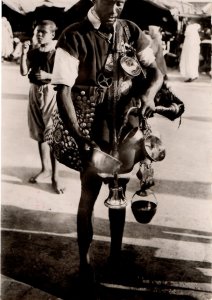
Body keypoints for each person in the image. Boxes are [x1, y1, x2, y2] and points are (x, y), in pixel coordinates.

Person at [51, 0, 163, 291]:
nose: (117, 9)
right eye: (111, 2)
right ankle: (85, 264)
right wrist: (79, 136)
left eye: (121, 2)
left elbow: (156, 72)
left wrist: (149, 95)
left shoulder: (131, 31)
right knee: (87, 195)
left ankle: (115, 256)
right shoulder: (74, 36)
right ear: (94, 0)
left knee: (119, 192)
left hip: (126, 130)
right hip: (92, 132)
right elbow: (63, 90)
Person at [20, 20, 65, 194]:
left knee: (52, 134)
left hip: (50, 93)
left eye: (43, 32)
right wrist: (24, 54)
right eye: (37, 32)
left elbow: (66, 76)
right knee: (40, 133)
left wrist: (48, 75)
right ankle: (45, 169)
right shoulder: (33, 52)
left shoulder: (57, 54)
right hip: (34, 92)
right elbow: (24, 72)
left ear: (52, 35)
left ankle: (56, 176)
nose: (39, 35)